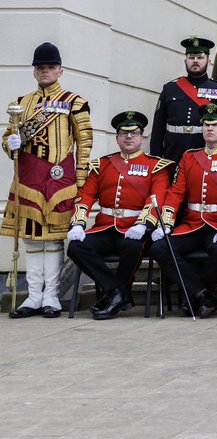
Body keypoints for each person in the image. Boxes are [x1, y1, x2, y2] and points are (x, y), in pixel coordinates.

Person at [3, 43, 92, 318]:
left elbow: (85, 142)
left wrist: (80, 179)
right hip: (28, 176)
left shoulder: (74, 101)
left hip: (59, 177)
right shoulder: (21, 103)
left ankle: (51, 296)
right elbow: (8, 140)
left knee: (53, 239)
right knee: (31, 238)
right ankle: (33, 296)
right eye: (41, 68)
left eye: (51, 67)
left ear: (60, 70)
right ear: (34, 72)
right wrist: (11, 143)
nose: (45, 72)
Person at [66, 111, 169, 319]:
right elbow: (85, 196)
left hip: (134, 228)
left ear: (142, 137)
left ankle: (114, 295)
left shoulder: (156, 166)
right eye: (123, 133)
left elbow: (155, 200)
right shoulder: (102, 165)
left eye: (134, 133)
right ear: (117, 138)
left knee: (132, 246)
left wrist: (142, 225)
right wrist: (78, 223)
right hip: (105, 227)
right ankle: (117, 291)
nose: (128, 137)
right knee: (76, 247)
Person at [150, 103, 217, 318]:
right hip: (192, 223)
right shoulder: (189, 157)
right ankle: (201, 294)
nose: (209, 129)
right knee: (159, 247)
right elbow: (176, 193)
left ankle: (196, 295)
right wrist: (165, 223)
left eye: (215, 125)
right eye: (206, 125)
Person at [149, 37, 217, 165]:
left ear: (208, 61)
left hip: (206, 152)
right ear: (185, 61)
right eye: (191, 58)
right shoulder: (170, 88)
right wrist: (155, 159)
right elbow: (158, 128)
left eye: (200, 57)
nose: (195, 61)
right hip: (173, 153)